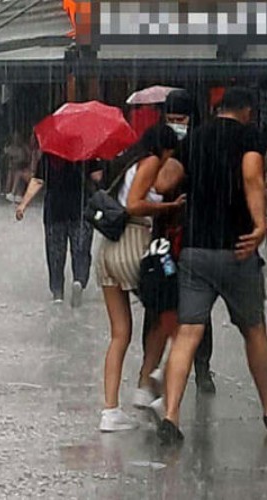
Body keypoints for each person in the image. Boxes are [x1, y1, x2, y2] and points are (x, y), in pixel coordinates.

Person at [155, 87, 267, 444]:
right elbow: (252, 176)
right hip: (237, 249)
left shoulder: (195, 139)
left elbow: (164, 181)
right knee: (253, 328)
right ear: (247, 112)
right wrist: (259, 224)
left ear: (218, 108)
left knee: (189, 331)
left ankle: (172, 417)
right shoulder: (247, 137)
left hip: (195, 250)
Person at [95, 125, 184, 432]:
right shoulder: (149, 162)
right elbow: (134, 204)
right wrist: (168, 206)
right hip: (133, 243)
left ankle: (110, 411)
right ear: (164, 148)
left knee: (120, 334)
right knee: (169, 309)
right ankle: (152, 382)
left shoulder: (127, 164)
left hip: (107, 251)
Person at [135, 90, 217, 413]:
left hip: (193, 238)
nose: (176, 125)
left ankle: (201, 367)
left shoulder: (197, 149)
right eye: (171, 119)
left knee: (197, 308)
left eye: (182, 119)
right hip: (164, 237)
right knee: (158, 301)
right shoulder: (158, 147)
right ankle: (152, 367)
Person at [16, 150, 102, 306]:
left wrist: (23, 204)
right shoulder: (86, 152)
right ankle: (79, 281)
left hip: (54, 210)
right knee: (81, 250)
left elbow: (38, 181)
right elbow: (97, 177)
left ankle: (57, 293)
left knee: (55, 252)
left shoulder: (49, 156)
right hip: (80, 209)